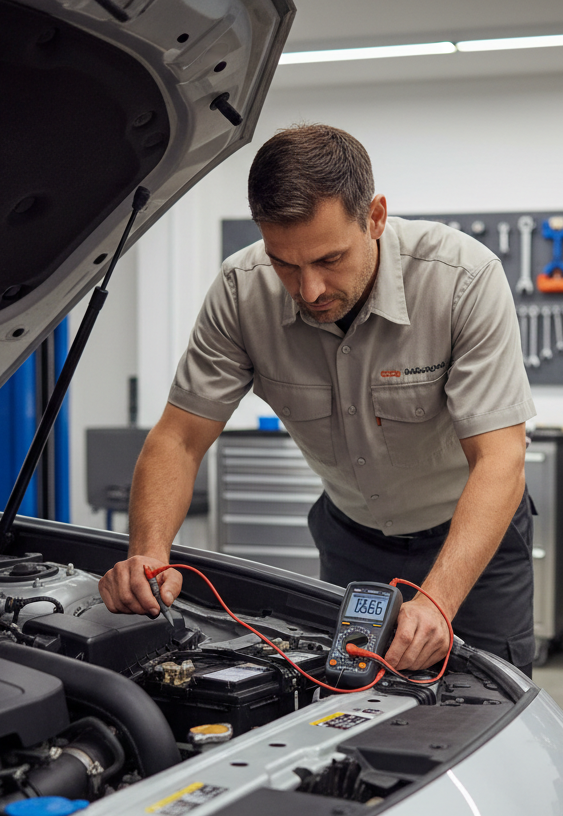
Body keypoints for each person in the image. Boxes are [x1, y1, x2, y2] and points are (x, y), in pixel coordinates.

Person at [99, 124, 537, 675]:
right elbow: (179, 439)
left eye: (330, 259)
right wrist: (148, 554)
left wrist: (438, 601)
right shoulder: (240, 292)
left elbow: (500, 459)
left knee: (484, 706)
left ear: (375, 217)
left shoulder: (463, 280)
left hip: (473, 540)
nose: (309, 290)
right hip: (351, 540)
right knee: (352, 700)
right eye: (285, 263)